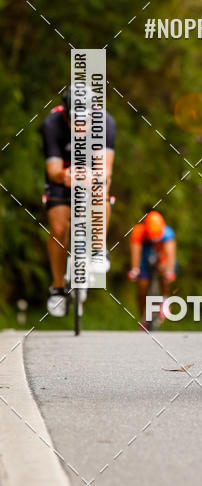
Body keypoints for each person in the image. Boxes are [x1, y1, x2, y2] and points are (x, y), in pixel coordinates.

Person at [42, 86, 115, 317]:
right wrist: (65, 175)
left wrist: (96, 178)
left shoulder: (105, 122)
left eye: (85, 121)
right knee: (58, 228)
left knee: (101, 191)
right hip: (62, 176)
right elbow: (53, 169)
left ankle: (98, 248)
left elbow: (105, 169)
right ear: (66, 115)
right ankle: (57, 288)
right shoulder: (52, 123)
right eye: (75, 121)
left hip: (93, 172)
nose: (80, 127)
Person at [128, 211, 177, 328]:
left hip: (161, 253)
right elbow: (135, 252)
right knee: (142, 285)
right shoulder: (138, 231)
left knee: (166, 272)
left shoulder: (168, 233)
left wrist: (169, 271)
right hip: (144, 255)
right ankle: (143, 319)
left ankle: (164, 299)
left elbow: (170, 254)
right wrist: (135, 269)